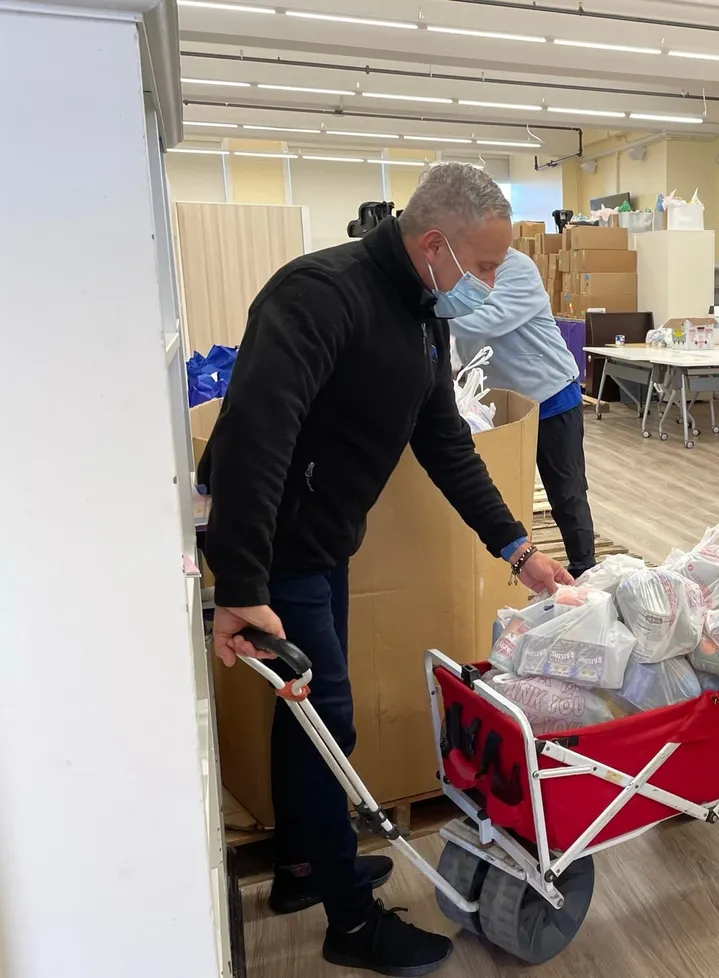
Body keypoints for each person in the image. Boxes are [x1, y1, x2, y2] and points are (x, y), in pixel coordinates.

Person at [198, 162, 571, 977]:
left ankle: (303, 866)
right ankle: (351, 923)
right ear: (434, 243)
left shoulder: (420, 313)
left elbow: (444, 442)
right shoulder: (317, 296)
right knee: (328, 720)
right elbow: (255, 438)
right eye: (481, 266)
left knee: (306, 721)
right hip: (281, 550)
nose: (487, 284)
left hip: (324, 542)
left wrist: (517, 548)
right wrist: (243, 586)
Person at [448, 246, 595, 578]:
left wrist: (420, 320)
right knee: (502, 487)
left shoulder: (517, 267)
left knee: (566, 492)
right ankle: (507, 570)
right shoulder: (459, 268)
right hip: (504, 402)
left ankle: (585, 569)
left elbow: (488, 320)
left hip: (551, 394)